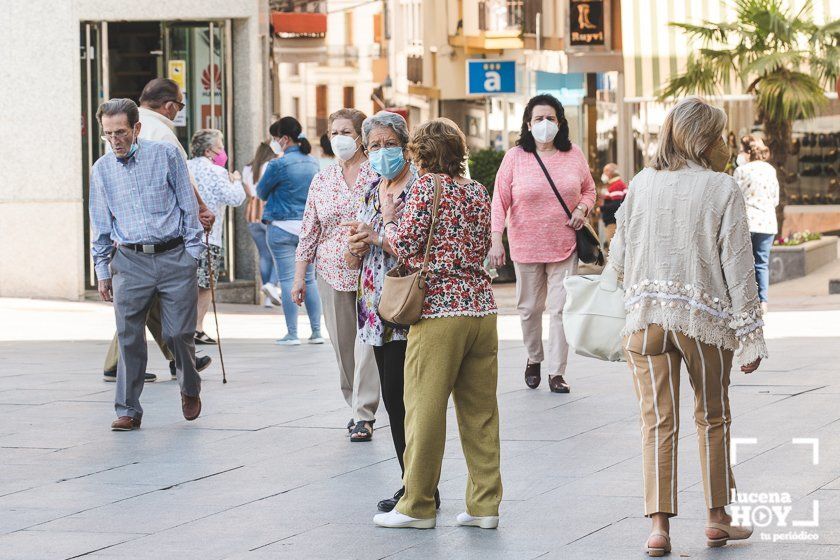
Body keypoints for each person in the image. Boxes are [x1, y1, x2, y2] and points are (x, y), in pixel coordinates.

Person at [606, 97, 767, 555]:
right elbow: (738, 268)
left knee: (656, 421)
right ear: (703, 140)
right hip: (702, 321)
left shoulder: (641, 182)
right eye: (720, 136)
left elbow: (618, 259)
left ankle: (659, 529)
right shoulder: (722, 188)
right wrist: (751, 337)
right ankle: (717, 518)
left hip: (645, 320)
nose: (725, 144)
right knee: (712, 416)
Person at [373, 118, 501, 530]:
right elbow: (481, 245)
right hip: (481, 309)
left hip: (439, 311)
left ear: (422, 154)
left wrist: (389, 218)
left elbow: (405, 245)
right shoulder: (478, 190)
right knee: (480, 413)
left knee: (424, 410)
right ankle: (484, 507)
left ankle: (417, 505)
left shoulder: (427, 187)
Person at [341, 111, 440, 511]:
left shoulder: (419, 187)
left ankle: (420, 487)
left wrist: (378, 237)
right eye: (375, 146)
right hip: (374, 309)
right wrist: (356, 246)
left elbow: (417, 246)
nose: (383, 152)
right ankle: (410, 482)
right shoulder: (369, 189)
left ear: (405, 143)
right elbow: (353, 258)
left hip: (409, 303)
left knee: (408, 398)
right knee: (391, 397)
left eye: (389, 143)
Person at [89, 98, 204, 431]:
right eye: (108, 133)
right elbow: (100, 225)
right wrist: (101, 271)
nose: (115, 140)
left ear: (136, 128)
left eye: (121, 132)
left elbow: (188, 206)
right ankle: (128, 409)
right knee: (128, 336)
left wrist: (192, 254)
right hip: (128, 260)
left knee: (179, 332)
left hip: (174, 256)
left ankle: (190, 386)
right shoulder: (102, 169)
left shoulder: (166, 155)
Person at [100, 78, 213, 382]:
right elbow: (181, 179)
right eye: (179, 105)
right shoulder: (160, 130)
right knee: (143, 303)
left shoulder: (123, 124)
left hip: (127, 227)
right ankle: (172, 359)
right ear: (170, 105)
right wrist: (201, 209)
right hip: (158, 231)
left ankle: (175, 357)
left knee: (141, 304)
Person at [489, 93, 596, 394]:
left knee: (560, 309)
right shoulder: (514, 158)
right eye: (539, 119)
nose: (545, 124)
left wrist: (581, 209)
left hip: (565, 244)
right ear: (528, 123)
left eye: (550, 118)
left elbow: (589, 190)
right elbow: (499, 200)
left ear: (560, 123)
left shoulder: (573, 154)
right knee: (529, 309)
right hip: (525, 245)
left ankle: (556, 372)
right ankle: (534, 357)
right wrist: (497, 239)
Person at [293, 109, 380, 442]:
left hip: (371, 268)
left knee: (368, 341)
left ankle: (364, 412)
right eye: (334, 132)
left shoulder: (377, 173)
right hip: (330, 270)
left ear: (360, 136)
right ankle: (354, 401)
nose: (339, 138)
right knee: (344, 345)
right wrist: (299, 276)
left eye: (346, 131)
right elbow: (309, 230)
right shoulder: (322, 178)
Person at [257, 117, 324, 346]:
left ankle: (292, 333)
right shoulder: (313, 162)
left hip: (281, 227)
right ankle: (316, 332)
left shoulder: (277, 164)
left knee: (286, 279)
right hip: (308, 228)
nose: (274, 143)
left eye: (275, 138)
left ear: (284, 139)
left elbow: (261, 192)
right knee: (310, 279)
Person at [188, 129, 246, 344]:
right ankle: (197, 327)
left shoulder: (185, 166)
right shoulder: (217, 172)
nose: (223, 152)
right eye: (220, 147)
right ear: (209, 151)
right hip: (208, 238)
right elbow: (235, 198)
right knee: (204, 286)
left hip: (184, 238)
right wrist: (236, 180)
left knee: (187, 285)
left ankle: (184, 325)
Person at [733, 136, 779, 314]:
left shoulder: (742, 171)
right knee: (762, 263)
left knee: (743, 263)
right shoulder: (770, 170)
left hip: (748, 222)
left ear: (746, 152)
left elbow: (735, 197)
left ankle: (745, 300)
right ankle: (763, 302)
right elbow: (775, 199)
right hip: (767, 223)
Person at [243, 141, 280, 308]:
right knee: (277, 254)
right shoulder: (270, 166)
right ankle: (271, 287)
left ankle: (267, 290)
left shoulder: (247, 169)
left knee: (264, 255)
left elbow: (247, 192)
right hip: (267, 213)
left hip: (252, 214)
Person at [599, 162, 627, 248]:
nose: (604, 174)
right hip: (614, 222)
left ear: (612, 172)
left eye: (606, 171)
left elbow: (616, 205)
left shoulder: (616, 185)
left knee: (613, 250)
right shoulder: (615, 184)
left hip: (613, 223)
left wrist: (601, 207)